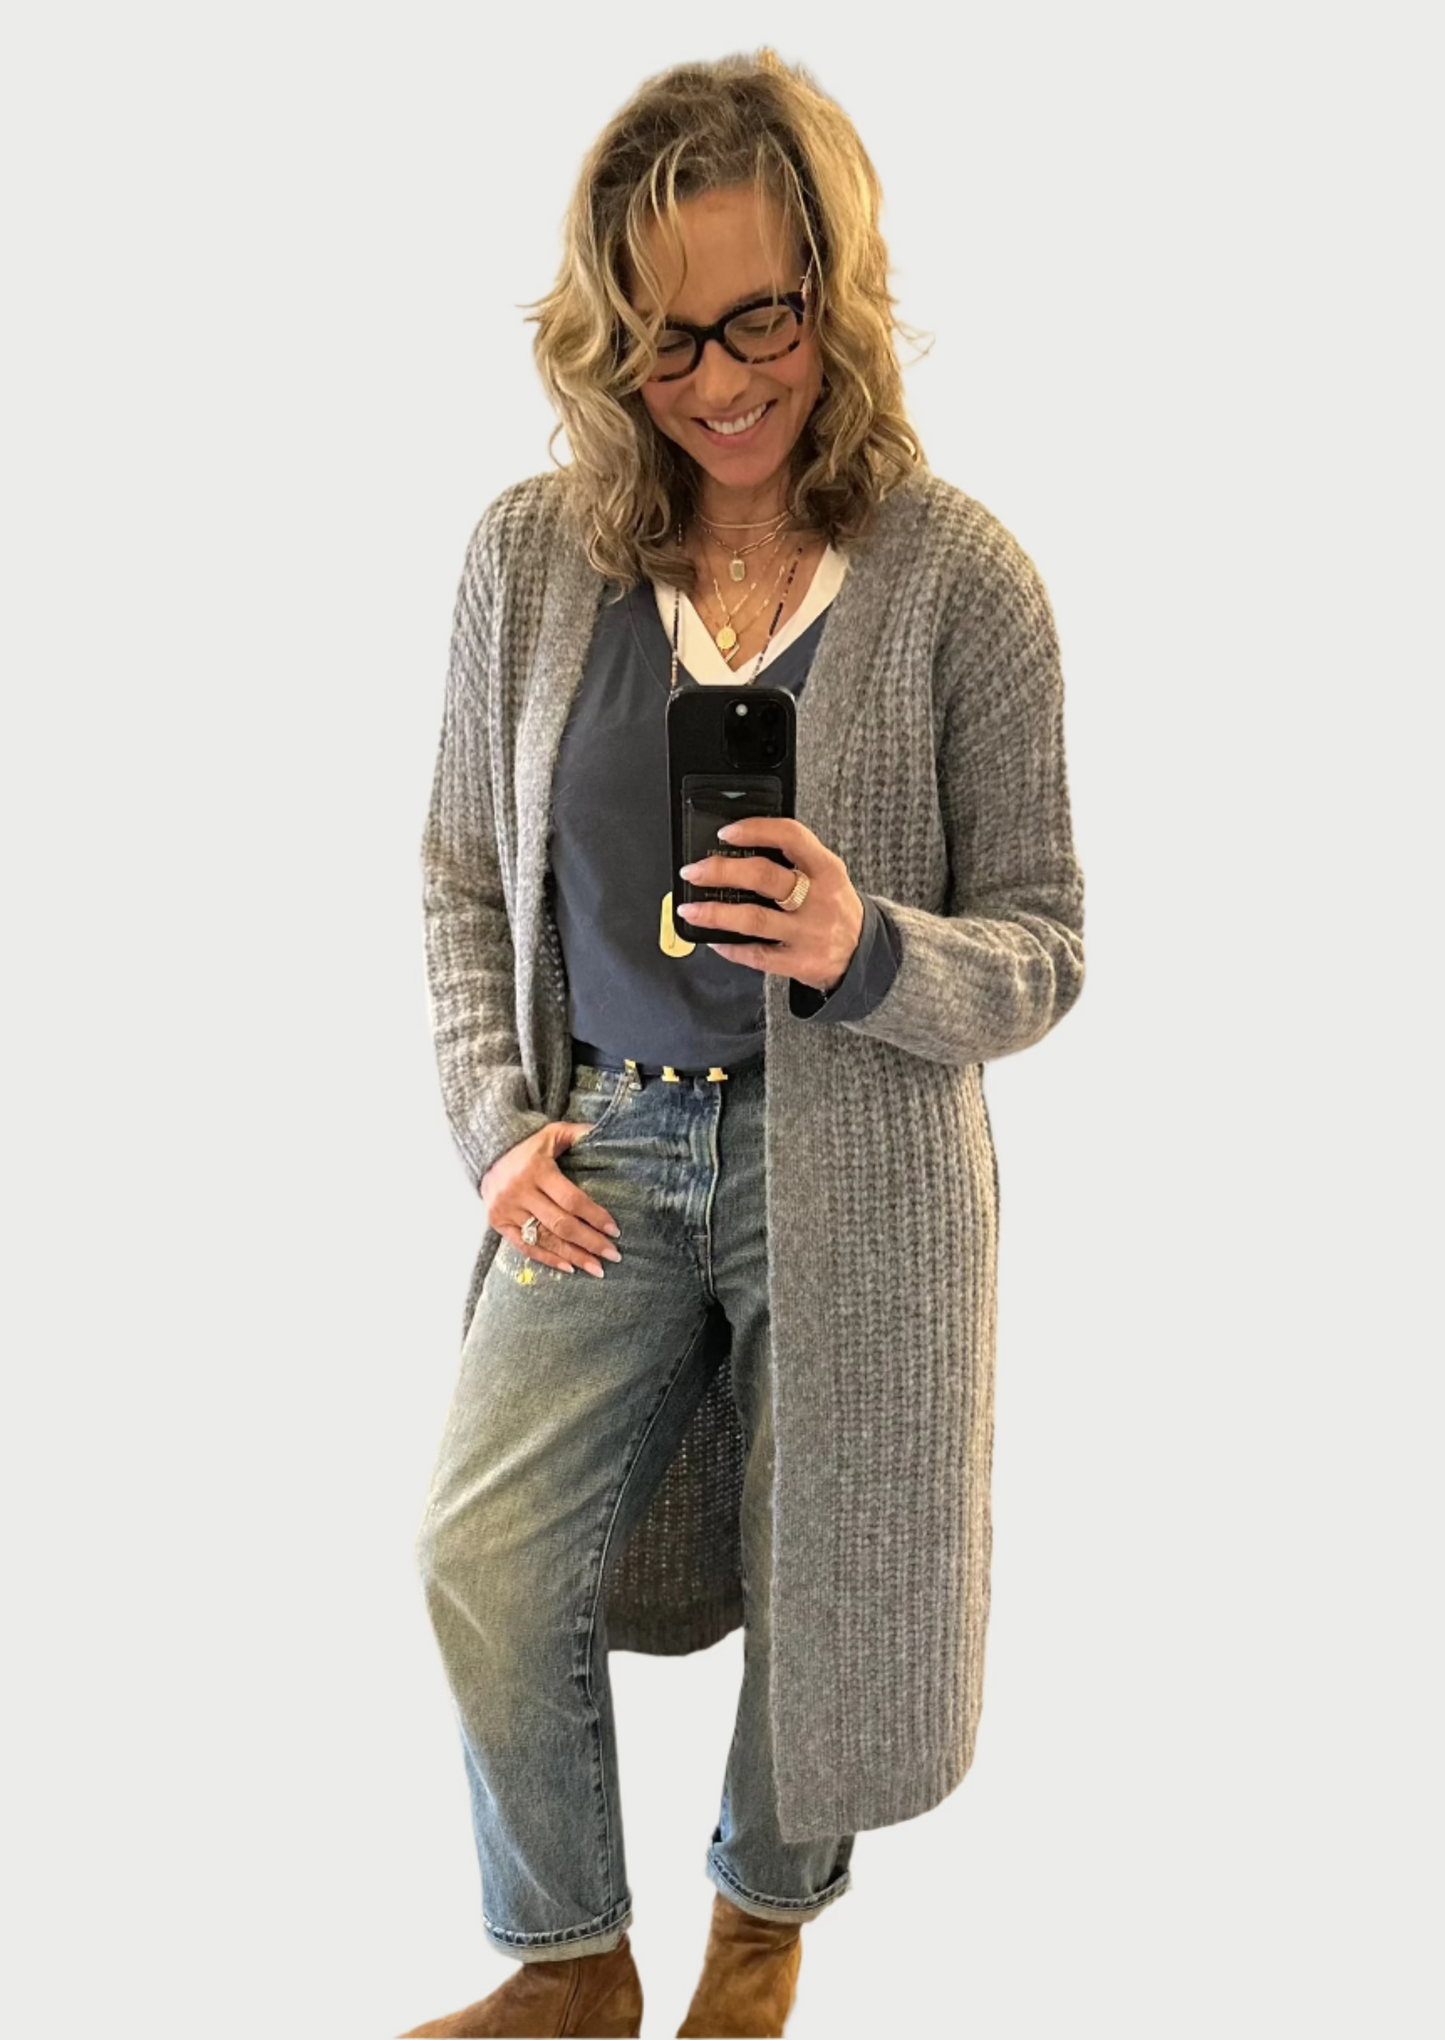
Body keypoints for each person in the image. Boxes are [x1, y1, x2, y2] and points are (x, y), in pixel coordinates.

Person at [403, 47, 1086, 2040]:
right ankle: (569, 1966)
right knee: (479, 1553)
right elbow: (460, 871)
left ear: (834, 298)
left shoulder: (963, 587)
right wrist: (489, 1123)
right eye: (663, 337)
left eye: (758, 320)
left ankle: (754, 1946)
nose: (715, 380)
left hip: (858, 1164)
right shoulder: (527, 560)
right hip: (607, 1146)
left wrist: (862, 943)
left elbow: (1043, 951)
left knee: (833, 1597)